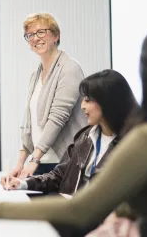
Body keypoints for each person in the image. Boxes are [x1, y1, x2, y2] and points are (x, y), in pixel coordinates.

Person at [0, 19, 147, 235]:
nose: (82, 106)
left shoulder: (146, 141)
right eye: (30, 35)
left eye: (41, 32)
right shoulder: (85, 136)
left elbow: (83, 208)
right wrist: (22, 175)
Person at [1, 70, 139, 195]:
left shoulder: (133, 144)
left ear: (108, 102)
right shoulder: (85, 137)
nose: (82, 105)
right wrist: (23, 183)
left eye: (88, 100)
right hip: (72, 213)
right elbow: (60, 175)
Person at [11, 13, 86, 179]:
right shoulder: (35, 75)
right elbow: (29, 122)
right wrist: (20, 163)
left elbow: (58, 118)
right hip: (40, 161)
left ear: (56, 35)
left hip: (64, 161)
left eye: (41, 32)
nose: (35, 38)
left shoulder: (69, 68)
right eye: (30, 35)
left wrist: (34, 158)